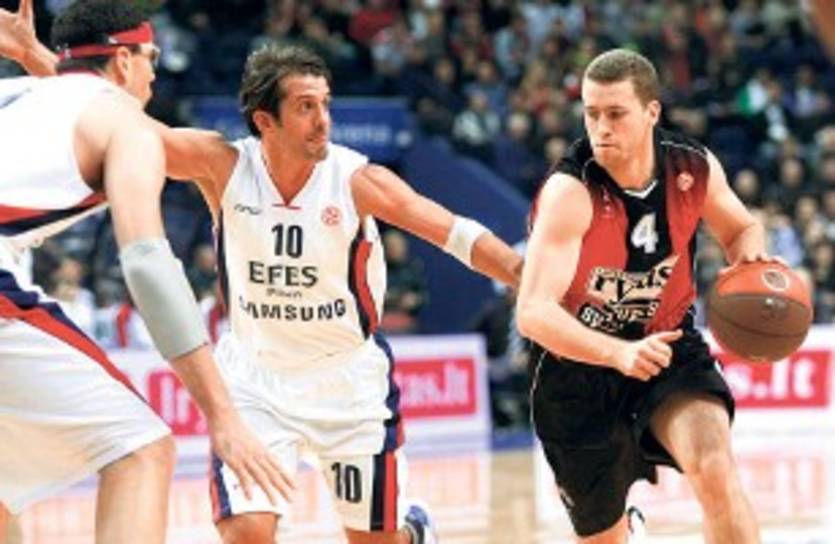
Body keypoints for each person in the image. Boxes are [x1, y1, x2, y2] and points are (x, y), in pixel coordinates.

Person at [3, 14, 523, 544]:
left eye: (325, 105)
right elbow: (114, 121)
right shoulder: (223, 166)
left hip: (348, 384)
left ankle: (413, 531)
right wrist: (40, 58)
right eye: (305, 107)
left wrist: (520, 272)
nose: (323, 121)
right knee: (246, 532)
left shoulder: (358, 180)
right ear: (265, 121)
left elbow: (454, 232)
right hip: (256, 381)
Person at [0, 1, 292, 543]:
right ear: (123, 59)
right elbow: (147, 265)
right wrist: (222, 417)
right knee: (140, 449)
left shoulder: (19, 94)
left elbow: (82, 101)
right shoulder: (124, 125)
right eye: (151, 57)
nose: (156, 73)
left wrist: (30, 53)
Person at [516, 49, 765, 543]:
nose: (601, 128)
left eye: (615, 114)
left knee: (715, 470)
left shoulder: (692, 167)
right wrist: (617, 353)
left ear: (652, 112)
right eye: (591, 114)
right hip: (576, 369)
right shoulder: (571, 191)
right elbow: (533, 312)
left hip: (668, 347)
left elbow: (742, 228)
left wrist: (751, 264)